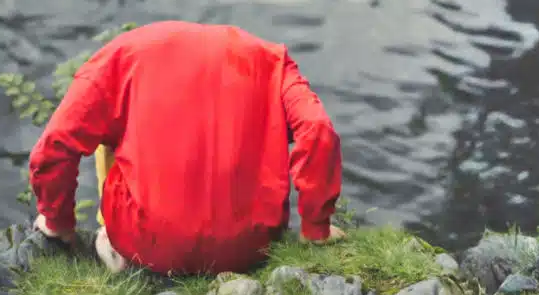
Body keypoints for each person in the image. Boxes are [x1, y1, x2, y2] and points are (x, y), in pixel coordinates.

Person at [28, 21, 345, 275]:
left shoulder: (119, 57)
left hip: (145, 243)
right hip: (252, 247)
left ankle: (115, 248)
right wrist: (315, 227)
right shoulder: (273, 61)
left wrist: (58, 223)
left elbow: (57, 143)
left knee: (105, 129)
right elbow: (317, 130)